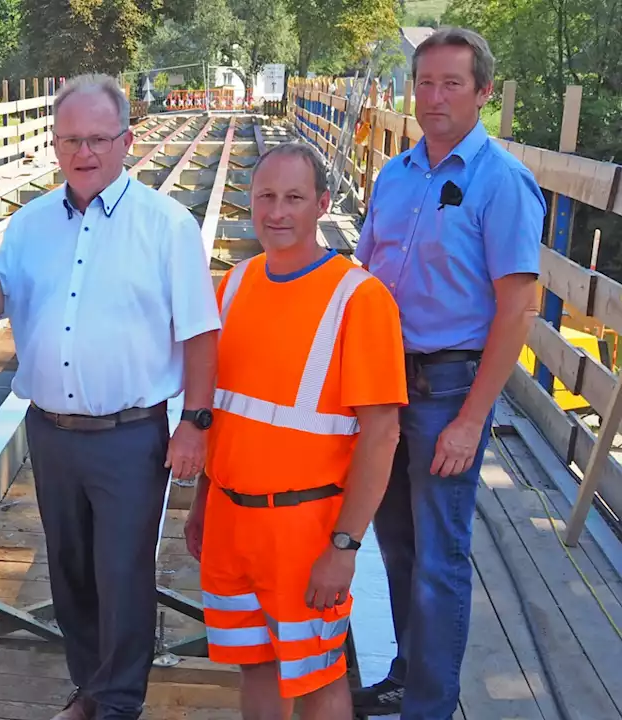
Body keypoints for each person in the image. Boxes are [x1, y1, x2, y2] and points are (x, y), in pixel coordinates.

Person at [0, 73, 220, 720]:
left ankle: (119, 703)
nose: (83, 152)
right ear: (55, 144)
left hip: (130, 435)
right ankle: (90, 687)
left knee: (122, 573)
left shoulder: (166, 225)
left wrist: (194, 423)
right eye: (69, 139)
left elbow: (200, 332)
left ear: (127, 140)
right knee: (71, 572)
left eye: (98, 139)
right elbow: (2, 303)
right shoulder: (28, 225)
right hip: (49, 430)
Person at [351, 27, 547, 719]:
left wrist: (470, 421)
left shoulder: (503, 182)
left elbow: (519, 308)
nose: (433, 98)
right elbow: (364, 275)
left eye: (451, 84)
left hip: (447, 392)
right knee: (396, 545)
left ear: (484, 93)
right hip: (383, 385)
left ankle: (430, 707)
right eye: (425, 83)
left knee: (438, 559)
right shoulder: (397, 173)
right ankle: (407, 673)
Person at [186, 142, 406, 719]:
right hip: (232, 523)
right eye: (265, 197)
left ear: (322, 204)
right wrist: (202, 502)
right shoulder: (232, 287)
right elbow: (221, 412)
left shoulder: (359, 299)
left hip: (305, 530)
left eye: (293, 198)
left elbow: (381, 436)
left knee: (315, 678)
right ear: (249, 202)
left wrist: (345, 546)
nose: (277, 212)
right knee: (255, 664)